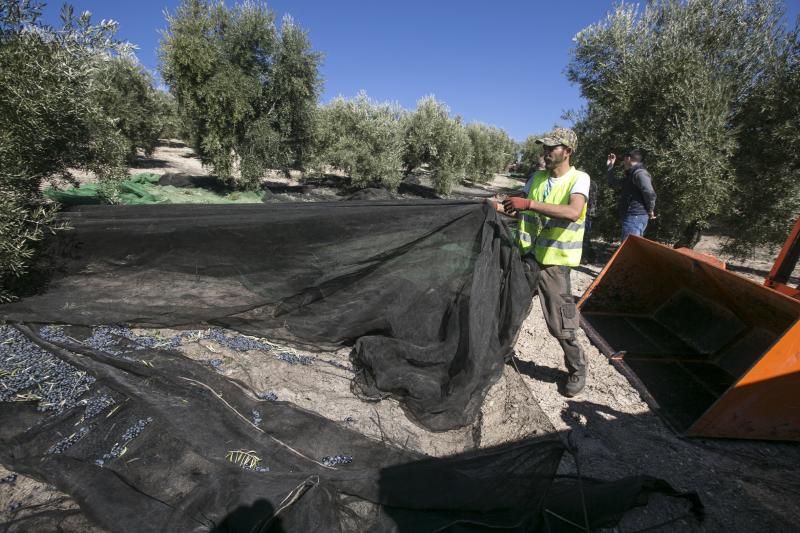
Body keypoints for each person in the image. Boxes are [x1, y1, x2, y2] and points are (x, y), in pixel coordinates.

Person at [491, 127, 590, 397]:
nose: (546, 151)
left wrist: (530, 205)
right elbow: (516, 209)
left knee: (560, 323)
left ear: (567, 152)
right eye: (544, 146)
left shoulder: (579, 179)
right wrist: (494, 207)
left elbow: (572, 212)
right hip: (527, 257)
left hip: (555, 264)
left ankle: (577, 368)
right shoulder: (536, 178)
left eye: (552, 147)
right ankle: (498, 357)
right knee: (511, 309)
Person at [606, 149, 656, 241]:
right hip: (632, 217)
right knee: (631, 249)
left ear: (628, 158)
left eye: (624, 159)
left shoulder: (639, 173)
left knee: (629, 250)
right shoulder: (631, 175)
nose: (623, 162)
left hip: (635, 217)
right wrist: (610, 166)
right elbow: (613, 183)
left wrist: (650, 209)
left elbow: (650, 193)